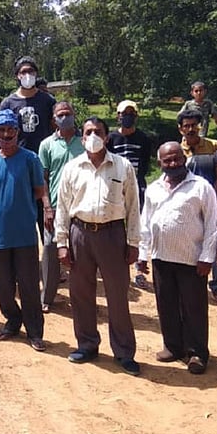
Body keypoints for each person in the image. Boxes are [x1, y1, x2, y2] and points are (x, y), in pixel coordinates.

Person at [54, 117, 141, 375]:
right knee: (81, 294)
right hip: (80, 233)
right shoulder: (72, 168)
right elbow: (63, 208)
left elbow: (133, 207)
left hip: (112, 234)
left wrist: (133, 242)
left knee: (117, 295)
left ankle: (124, 352)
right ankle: (87, 345)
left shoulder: (122, 166)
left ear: (106, 137)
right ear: (82, 138)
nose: (93, 136)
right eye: (88, 132)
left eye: (98, 132)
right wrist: (62, 243)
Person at [138, 141, 217, 374]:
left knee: (193, 307)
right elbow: (145, 223)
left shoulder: (201, 187)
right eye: (167, 160)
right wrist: (142, 254)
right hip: (161, 257)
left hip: (192, 259)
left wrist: (207, 257)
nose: (173, 163)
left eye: (177, 158)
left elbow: (212, 224)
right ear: (159, 163)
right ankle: (173, 346)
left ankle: (197, 353)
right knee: (166, 304)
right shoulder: (154, 188)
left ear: (185, 159)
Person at [0, 110, 49, 352]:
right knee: (4, 284)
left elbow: (39, 190)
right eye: (1, 130)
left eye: (10, 129)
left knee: (29, 284)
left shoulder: (30, 159)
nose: (6, 134)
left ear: (17, 132)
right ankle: (12, 320)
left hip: (24, 232)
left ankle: (35, 331)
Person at [0, 56, 56, 241]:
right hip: (18, 164)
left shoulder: (47, 100)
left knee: (46, 213)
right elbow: (2, 133)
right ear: (17, 75)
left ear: (36, 73)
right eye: (23, 72)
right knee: (21, 213)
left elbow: (55, 127)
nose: (27, 75)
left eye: (31, 71)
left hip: (44, 164)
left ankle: (49, 255)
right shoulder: (8, 103)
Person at [179, 109, 217, 308]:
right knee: (189, 244)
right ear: (181, 129)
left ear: (200, 126)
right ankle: (191, 286)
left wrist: (209, 195)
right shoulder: (177, 150)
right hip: (186, 205)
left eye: (194, 125)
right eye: (186, 126)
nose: (191, 129)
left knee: (215, 243)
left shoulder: (214, 146)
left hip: (212, 203)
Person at [38, 101, 84, 313]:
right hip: (56, 207)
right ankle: (47, 296)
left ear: (74, 115)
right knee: (50, 249)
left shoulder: (84, 142)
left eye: (68, 113)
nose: (65, 117)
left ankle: (81, 298)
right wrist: (47, 207)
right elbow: (43, 178)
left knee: (80, 253)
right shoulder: (46, 145)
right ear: (54, 120)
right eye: (60, 114)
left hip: (81, 207)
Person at [107, 99, 153, 289]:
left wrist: (137, 182)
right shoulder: (111, 139)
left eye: (131, 113)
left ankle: (140, 268)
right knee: (115, 224)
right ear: (118, 116)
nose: (127, 117)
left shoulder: (144, 139)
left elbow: (145, 164)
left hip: (137, 185)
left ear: (136, 116)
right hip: (115, 186)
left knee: (138, 225)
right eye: (124, 113)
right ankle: (115, 264)